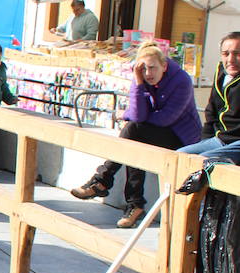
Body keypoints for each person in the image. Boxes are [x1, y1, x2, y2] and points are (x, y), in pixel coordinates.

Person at [70, 42, 199, 228]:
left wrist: (126, 114)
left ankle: (104, 183)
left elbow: (165, 119)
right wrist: (138, 83)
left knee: (133, 131)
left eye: (153, 68)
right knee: (134, 136)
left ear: (164, 65)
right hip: (149, 132)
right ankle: (132, 203)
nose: (148, 73)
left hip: (180, 137)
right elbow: (139, 116)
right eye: (143, 68)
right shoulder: (141, 78)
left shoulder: (182, 81)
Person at [175, 32, 240, 161]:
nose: (231, 59)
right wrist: (205, 140)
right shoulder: (221, 73)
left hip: (237, 141)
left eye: (237, 54)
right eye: (226, 54)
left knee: (205, 160)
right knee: (179, 156)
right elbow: (211, 110)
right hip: (220, 139)